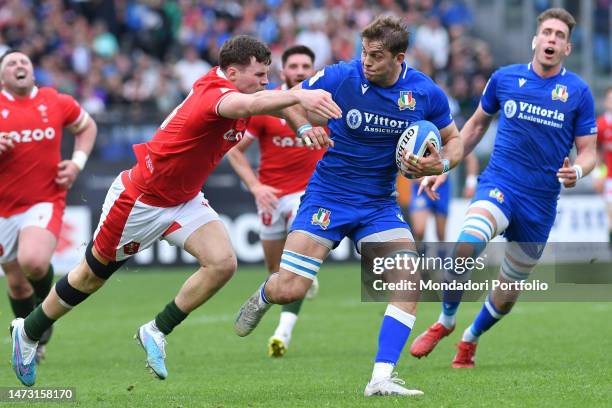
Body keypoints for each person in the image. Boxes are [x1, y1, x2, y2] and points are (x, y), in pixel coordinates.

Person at [9, 35, 341, 387]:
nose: (265, 80)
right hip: (141, 200)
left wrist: (303, 125)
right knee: (90, 276)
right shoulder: (217, 96)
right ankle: (28, 331)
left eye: (266, 73)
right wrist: (300, 94)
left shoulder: (238, 87)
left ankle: (156, 330)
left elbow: (270, 101)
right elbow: (252, 105)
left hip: (183, 199)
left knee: (223, 263)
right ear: (231, 72)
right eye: (259, 74)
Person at [234, 16, 464, 397]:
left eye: (376, 55)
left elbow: (452, 139)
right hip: (328, 197)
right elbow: (289, 99)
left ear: (399, 58)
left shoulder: (425, 94)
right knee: (290, 288)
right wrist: (305, 127)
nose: (366, 61)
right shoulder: (342, 76)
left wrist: (439, 164)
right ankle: (263, 295)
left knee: (409, 282)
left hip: (377, 205)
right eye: (363, 52)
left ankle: (381, 378)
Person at [410, 8, 597, 368]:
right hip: (500, 185)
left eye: (560, 35)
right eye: (547, 33)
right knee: (467, 243)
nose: (552, 40)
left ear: (567, 48)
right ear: (535, 39)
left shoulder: (578, 92)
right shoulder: (505, 79)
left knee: (508, 294)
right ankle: (446, 321)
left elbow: (588, 151)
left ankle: (470, 337)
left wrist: (577, 169)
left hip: (540, 204)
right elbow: (476, 126)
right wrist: (446, 165)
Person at [227, 45, 325, 358]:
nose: (299, 71)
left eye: (305, 66)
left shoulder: (324, 106)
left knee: (293, 266)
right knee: (276, 272)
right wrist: (256, 187)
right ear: (283, 72)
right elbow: (233, 150)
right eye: (293, 66)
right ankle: (300, 281)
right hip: (270, 197)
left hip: (307, 195)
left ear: (313, 70)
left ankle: (283, 332)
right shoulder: (268, 108)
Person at [0, 51, 97, 363]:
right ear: (2, 77)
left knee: (35, 263)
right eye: (11, 63)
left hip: (43, 199)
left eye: (24, 62)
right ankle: (35, 339)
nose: (19, 65)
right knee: (15, 283)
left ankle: (44, 311)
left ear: (32, 71)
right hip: (2, 209)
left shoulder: (54, 101)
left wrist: (77, 163)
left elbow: (87, 127)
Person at [594, 87, 612, 245]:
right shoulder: (601, 124)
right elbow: (595, 150)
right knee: (611, 214)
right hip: (609, 177)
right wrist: (598, 174)